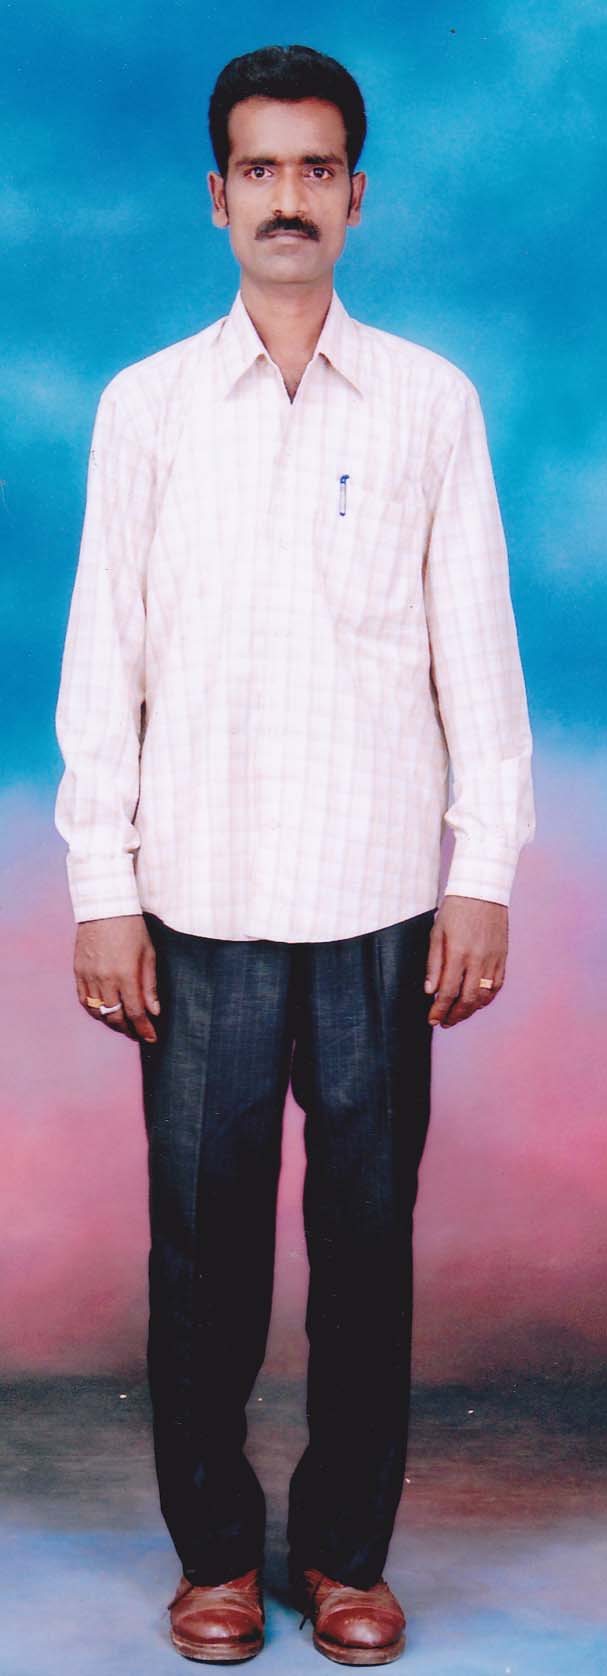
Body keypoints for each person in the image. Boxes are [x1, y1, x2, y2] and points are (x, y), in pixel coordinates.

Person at [54, 43, 535, 1667]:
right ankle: (211, 1554)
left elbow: (479, 654)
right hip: (194, 897)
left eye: (315, 170)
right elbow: (102, 662)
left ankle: (342, 1556)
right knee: (202, 1245)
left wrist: (483, 871)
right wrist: (104, 891)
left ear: (356, 196)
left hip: (379, 895)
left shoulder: (429, 404)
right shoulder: (144, 410)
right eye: (258, 170)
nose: (286, 199)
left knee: (366, 1244)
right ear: (217, 196)